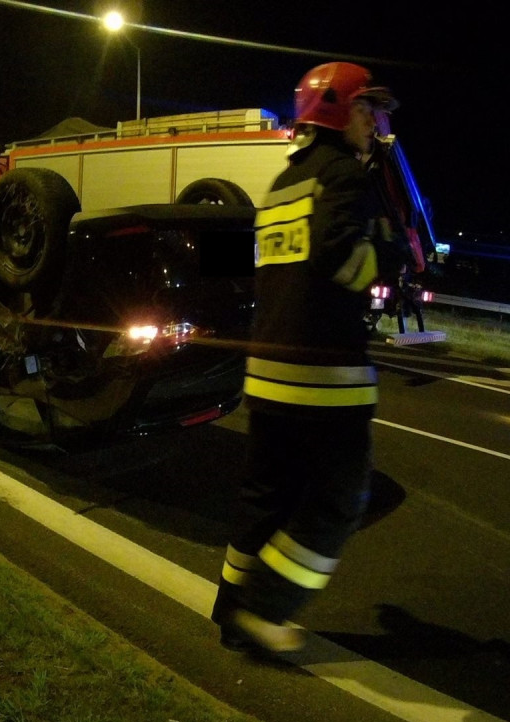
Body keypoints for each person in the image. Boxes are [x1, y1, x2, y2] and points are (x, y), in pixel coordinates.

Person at [210, 62, 398, 655]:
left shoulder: (282, 184)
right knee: (338, 501)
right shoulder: (343, 176)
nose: (375, 123)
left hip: (268, 374)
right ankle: (265, 612)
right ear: (340, 110)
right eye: (367, 109)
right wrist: (389, 256)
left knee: (264, 498)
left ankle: (231, 610)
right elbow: (341, 258)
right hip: (325, 379)